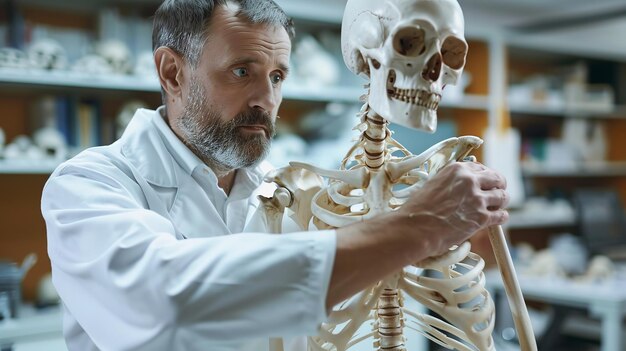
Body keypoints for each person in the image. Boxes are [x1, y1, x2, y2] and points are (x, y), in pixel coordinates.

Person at [41, 0, 510, 350]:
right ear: (172, 73)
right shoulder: (87, 186)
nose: (266, 98)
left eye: (278, 76)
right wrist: (421, 225)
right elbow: (168, 303)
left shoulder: (288, 188)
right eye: (242, 71)